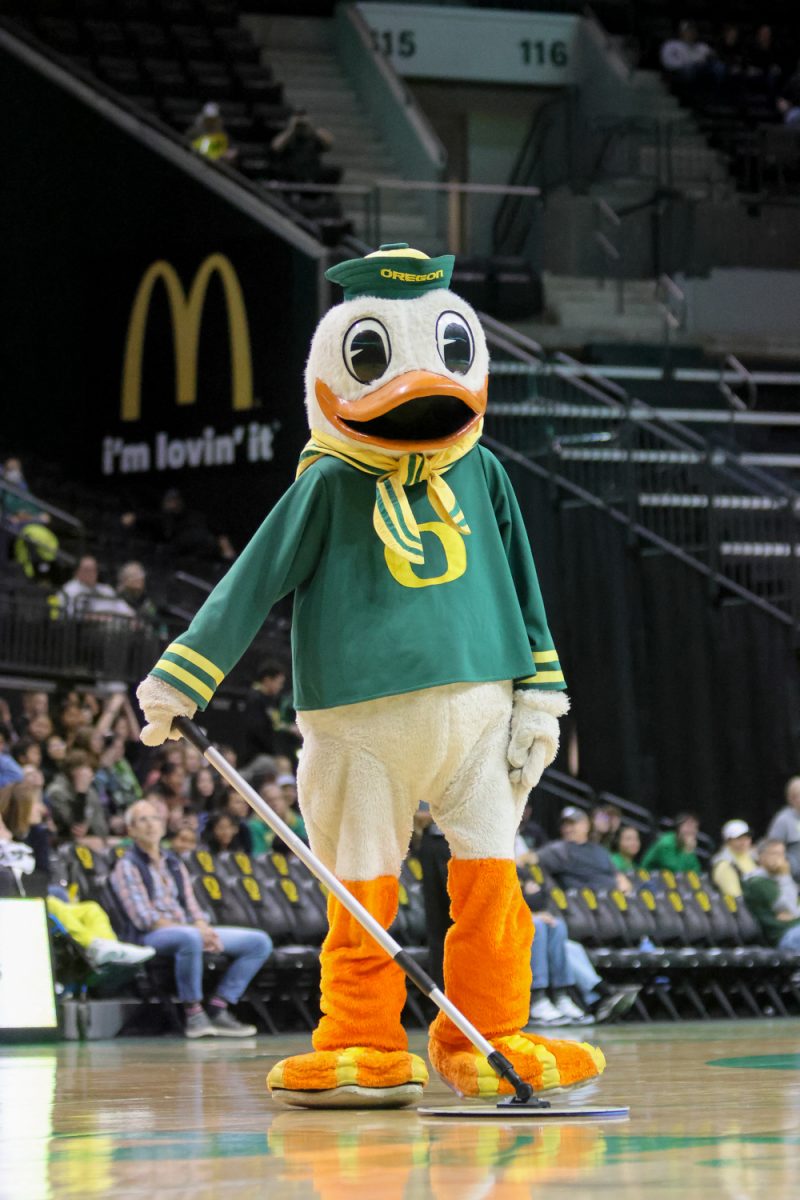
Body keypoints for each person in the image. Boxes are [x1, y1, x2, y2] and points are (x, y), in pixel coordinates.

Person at [112, 800, 272, 1037]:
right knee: (189, 938)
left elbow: (193, 907)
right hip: (150, 936)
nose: (150, 825)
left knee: (259, 942)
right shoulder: (127, 866)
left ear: (163, 826)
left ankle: (219, 1007)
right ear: (131, 830)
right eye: (142, 820)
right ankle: (193, 1014)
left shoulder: (174, 863)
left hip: (188, 930)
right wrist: (197, 932)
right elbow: (145, 919)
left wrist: (203, 929)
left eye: (154, 818)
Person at [0, 780, 153, 968]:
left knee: (91, 908)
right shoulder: (4, 840)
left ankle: (112, 948)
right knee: (55, 906)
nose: (42, 809)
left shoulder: (37, 834)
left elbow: (43, 875)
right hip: (21, 903)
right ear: (22, 807)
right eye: (36, 804)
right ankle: (93, 946)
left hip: (38, 896)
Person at [537, 807, 632, 894]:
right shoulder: (559, 849)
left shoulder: (599, 850)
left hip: (612, 901)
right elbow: (530, 859)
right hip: (582, 904)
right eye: (564, 825)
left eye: (572, 824)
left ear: (586, 825)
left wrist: (623, 882)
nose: (567, 828)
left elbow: (617, 874)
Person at [742, 839, 800, 952]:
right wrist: (785, 875)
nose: (780, 858)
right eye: (774, 853)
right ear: (761, 857)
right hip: (784, 935)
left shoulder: (776, 878)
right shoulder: (757, 882)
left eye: (782, 853)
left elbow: (794, 908)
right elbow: (789, 908)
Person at [45, 749, 109, 847]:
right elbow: (76, 827)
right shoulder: (56, 792)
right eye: (85, 769)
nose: (89, 774)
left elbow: (101, 829)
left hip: (93, 841)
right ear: (72, 770)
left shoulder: (91, 792)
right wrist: (81, 794)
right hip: (63, 842)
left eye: (91, 770)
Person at [58, 556, 135, 620]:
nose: (91, 573)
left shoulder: (106, 589)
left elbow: (126, 610)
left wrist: (133, 619)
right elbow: (65, 613)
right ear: (77, 572)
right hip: (81, 632)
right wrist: (89, 617)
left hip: (111, 632)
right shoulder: (68, 589)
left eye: (94, 569)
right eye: (87, 570)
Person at [270, 109, 336, 183]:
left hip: (312, 170)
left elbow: (329, 144)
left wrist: (310, 127)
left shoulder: (315, 135)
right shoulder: (287, 135)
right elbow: (276, 147)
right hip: (290, 173)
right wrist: (292, 129)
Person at [711, 819, 758, 899]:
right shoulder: (724, 865)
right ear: (728, 841)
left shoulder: (752, 857)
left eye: (747, 838)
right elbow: (736, 898)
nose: (744, 842)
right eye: (739, 839)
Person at [767, 777, 800, 880]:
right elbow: (773, 849)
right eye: (798, 796)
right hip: (793, 877)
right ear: (791, 799)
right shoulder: (783, 819)